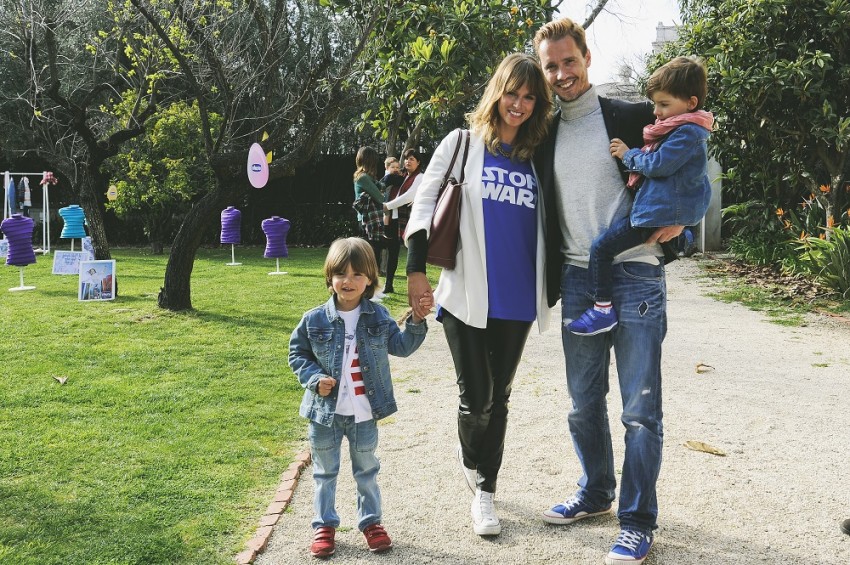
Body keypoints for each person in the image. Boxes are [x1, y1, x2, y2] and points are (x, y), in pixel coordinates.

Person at [534, 18, 684, 565]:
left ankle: (638, 522)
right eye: (551, 66)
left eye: (569, 61)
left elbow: (689, 160)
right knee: (582, 403)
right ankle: (596, 491)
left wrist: (684, 222)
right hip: (578, 279)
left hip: (637, 272)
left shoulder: (632, 115)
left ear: (587, 58)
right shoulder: (543, 132)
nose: (561, 74)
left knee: (640, 411)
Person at [405, 52, 552, 537]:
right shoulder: (462, 143)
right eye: (512, 93)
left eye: (529, 97)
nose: (519, 104)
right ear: (496, 92)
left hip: (518, 297)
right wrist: (415, 271)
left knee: (500, 397)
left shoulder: (537, 156)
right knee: (478, 399)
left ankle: (486, 492)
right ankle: (472, 459)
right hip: (465, 293)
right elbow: (424, 203)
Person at [288, 237, 431, 558]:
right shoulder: (314, 319)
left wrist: (417, 320)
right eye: (341, 273)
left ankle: (371, 522)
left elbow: (402, 347)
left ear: (369, 280)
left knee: (366, 470)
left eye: (357, 274)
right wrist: (314, 379)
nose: (348, 281)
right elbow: (297, 354)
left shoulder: (378, 317)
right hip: (324, 415)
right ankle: (324, 525)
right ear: (330, 277)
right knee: (325, 472)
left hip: (365, 413)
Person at [568, 56, 714, 336]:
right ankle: (684, 239)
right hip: (656, 212)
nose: (656, 112)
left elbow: (658, 165)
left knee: (601, 249)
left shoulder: (687, 133)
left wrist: (628, 155)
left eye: (664, 104)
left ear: (691, 103)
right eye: (655, 104)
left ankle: (602, 309)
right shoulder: (679, 129)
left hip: (653, 216)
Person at [382, 149, 424, 294]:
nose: (408, 161)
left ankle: (415, 287)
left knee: (414, 253)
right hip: (395, 218)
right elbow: (385, 180)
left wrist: (388, 206)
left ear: (418, 162)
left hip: (412, 219)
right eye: (406, 159)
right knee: (392, 251)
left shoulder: (420, 177)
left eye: (412, 159)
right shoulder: (402, 176)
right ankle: (388, 284)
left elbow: (409, 196)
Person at [353, 146, 386, 296]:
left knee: (373, 255)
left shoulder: (366, 177)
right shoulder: (363, 178)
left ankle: (372, 291)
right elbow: (380, 197)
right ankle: (371, 292)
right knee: (371, 257)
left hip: (368, 220)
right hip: (368, 221)